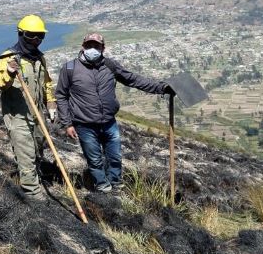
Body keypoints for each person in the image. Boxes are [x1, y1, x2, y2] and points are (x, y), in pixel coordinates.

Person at [55, 33, 175, 193]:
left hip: (109, 122)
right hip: (84, 124)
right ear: (83, 47)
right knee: (94, 160)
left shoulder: (110, 66)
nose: (92, 49)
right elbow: (61, 95)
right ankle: (103, 188)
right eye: (89, 46)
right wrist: (67, 123)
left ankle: (116, 185)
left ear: (103, 48)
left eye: (96, 46)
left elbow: (133, 79)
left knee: (115, 157)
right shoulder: (70, 68)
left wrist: (162, 88)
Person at [0, 15, 58, 201]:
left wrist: (50, 104)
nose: (36, 40)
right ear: (21, 34)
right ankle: (32, 192)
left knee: (37, 149)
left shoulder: (39, 59)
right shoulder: (9, 58)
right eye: (31, 35)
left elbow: (47, 84)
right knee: (26, 152)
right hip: (18, 115)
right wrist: (9, 73)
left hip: (37, 114)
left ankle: (35, 177)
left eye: (40, 36)